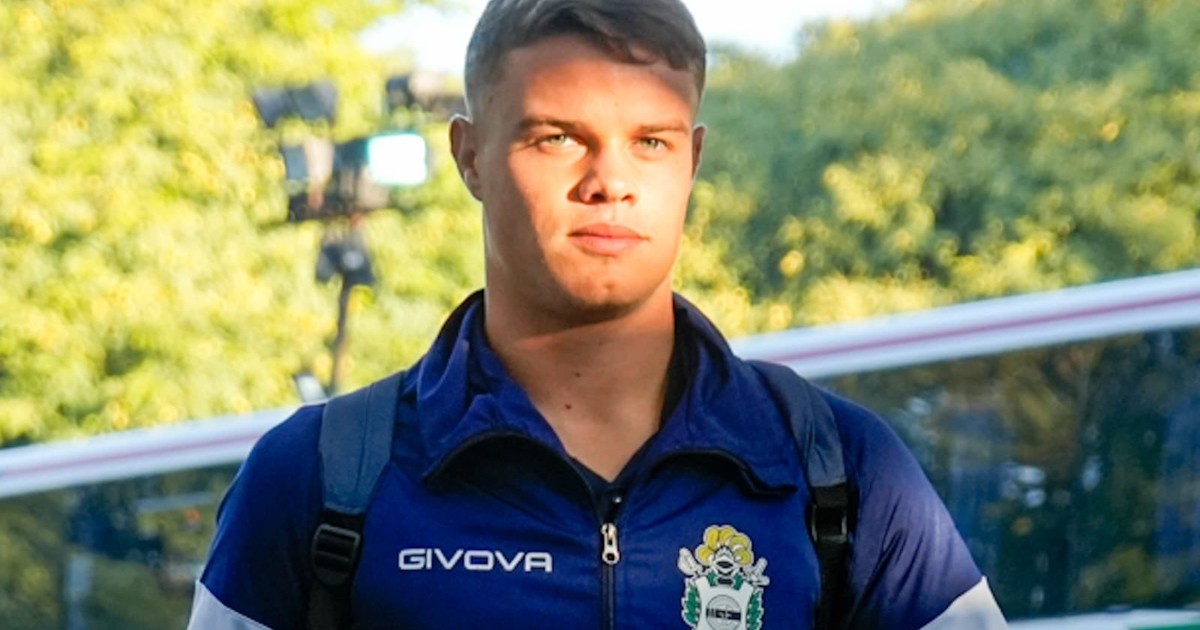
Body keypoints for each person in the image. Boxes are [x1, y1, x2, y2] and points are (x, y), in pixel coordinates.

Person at [190, 0, 1010, 628]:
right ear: (470, 156)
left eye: (651, 142)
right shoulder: (318, 480)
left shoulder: (842, 470)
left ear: (693, 160)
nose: (609, 182)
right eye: (557, 138)